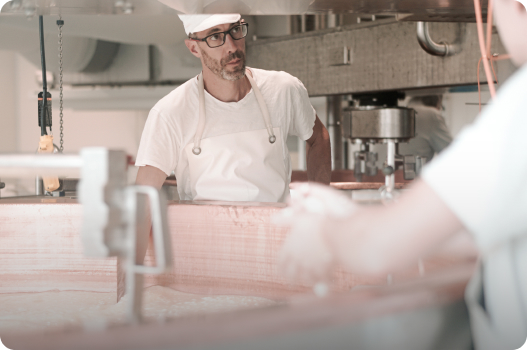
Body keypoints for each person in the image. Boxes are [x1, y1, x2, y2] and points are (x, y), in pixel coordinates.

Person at [278, 1, 527, 349]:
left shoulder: (520, 110)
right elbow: (476, 231)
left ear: (516, 7)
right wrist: (351, 216)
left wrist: (321, 230)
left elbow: (377, 250)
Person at [134, 14, 331, 202]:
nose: (232, 46)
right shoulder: (170, 112)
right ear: (194, 48)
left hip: (275, 232)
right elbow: (144, 198)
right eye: (215, 36)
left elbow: (318, 138)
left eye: (235, 29)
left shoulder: (283, 89)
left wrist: (319, 207)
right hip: (207, 235)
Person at [398, 95, 453, 162]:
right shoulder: (431, 114)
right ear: (438, 102)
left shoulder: (400, 112)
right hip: (413, 170)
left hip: (384, 170)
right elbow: (452, 153)